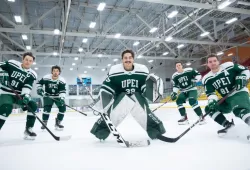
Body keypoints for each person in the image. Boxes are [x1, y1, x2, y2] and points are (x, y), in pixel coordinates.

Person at [90, 49, 166, 140]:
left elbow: (144, 87)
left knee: (142, 107)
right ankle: (100, 131)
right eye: (125, 58)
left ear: (133, 59)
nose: (128, 60)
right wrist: (103, 101)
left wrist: (153, 91)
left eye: (130, 57)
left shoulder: (142, 70)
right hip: (120, 100)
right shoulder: (115, 71)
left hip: (138, 98)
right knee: (115, 111)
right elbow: (107, 87)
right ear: (122, 59)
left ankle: (156, 131)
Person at [202, 55, 250, 137]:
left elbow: (245, 70)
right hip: (227, 99)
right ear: (207, 64)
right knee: (209, 109)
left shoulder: (229, 65)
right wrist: (212, 102)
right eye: (210, 62)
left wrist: (243, 77)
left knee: (239, 109)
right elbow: (210, 93)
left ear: (218, 61)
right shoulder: (207, 78)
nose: (213, 63)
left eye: (214, 60)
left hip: (239, 92)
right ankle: (228, 125)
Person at [0, 52, 38, 140]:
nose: (28, 62)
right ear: (23, 59)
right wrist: (2, 73)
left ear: (32, 62)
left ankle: (28, 130)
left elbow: (27, 87)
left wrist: (26, 96)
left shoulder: (32, 74)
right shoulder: (12, 64)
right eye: (26, 60)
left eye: (30, 61)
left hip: (18, 95)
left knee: (33, 105)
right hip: (5, 92)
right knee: (6, 107)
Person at [37, 65, 66, 130]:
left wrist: (62, 98)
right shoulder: (46, 77)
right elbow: (39, 83)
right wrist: (39, 89)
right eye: (54, 71)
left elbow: (62, 91)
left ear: (59, 72)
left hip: (58, 96)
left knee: (63, 108)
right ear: (52, 72)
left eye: (57, 71)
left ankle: (58, 122)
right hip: (48, 96)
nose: (55, 72)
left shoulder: (61, 80)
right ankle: (44, 123)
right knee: (46, 109)